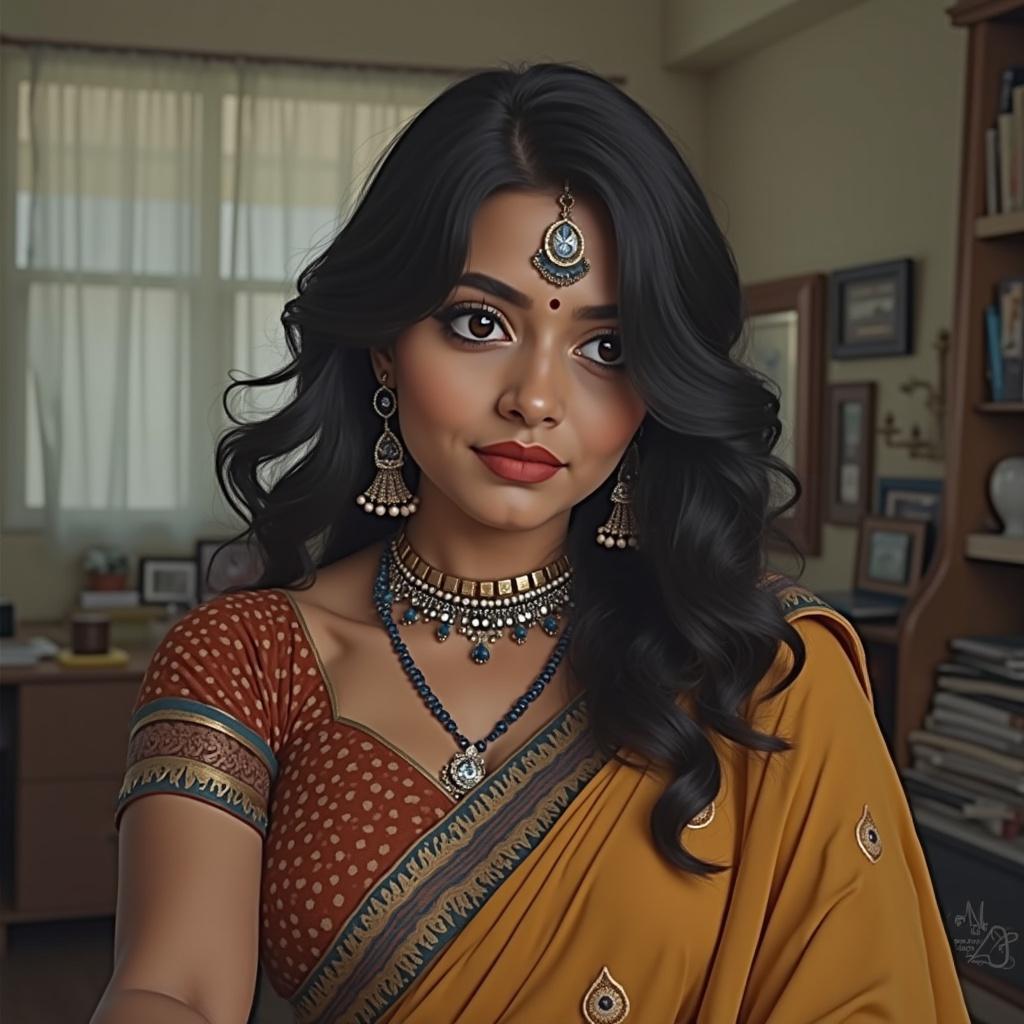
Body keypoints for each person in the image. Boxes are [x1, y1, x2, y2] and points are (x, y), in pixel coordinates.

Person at [91, 62, 971, 1024]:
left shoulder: (760, 669)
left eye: (608, 347)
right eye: (478, 322)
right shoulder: (251, 659)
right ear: (387, 342)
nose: (537, 398)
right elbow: (170, 985)